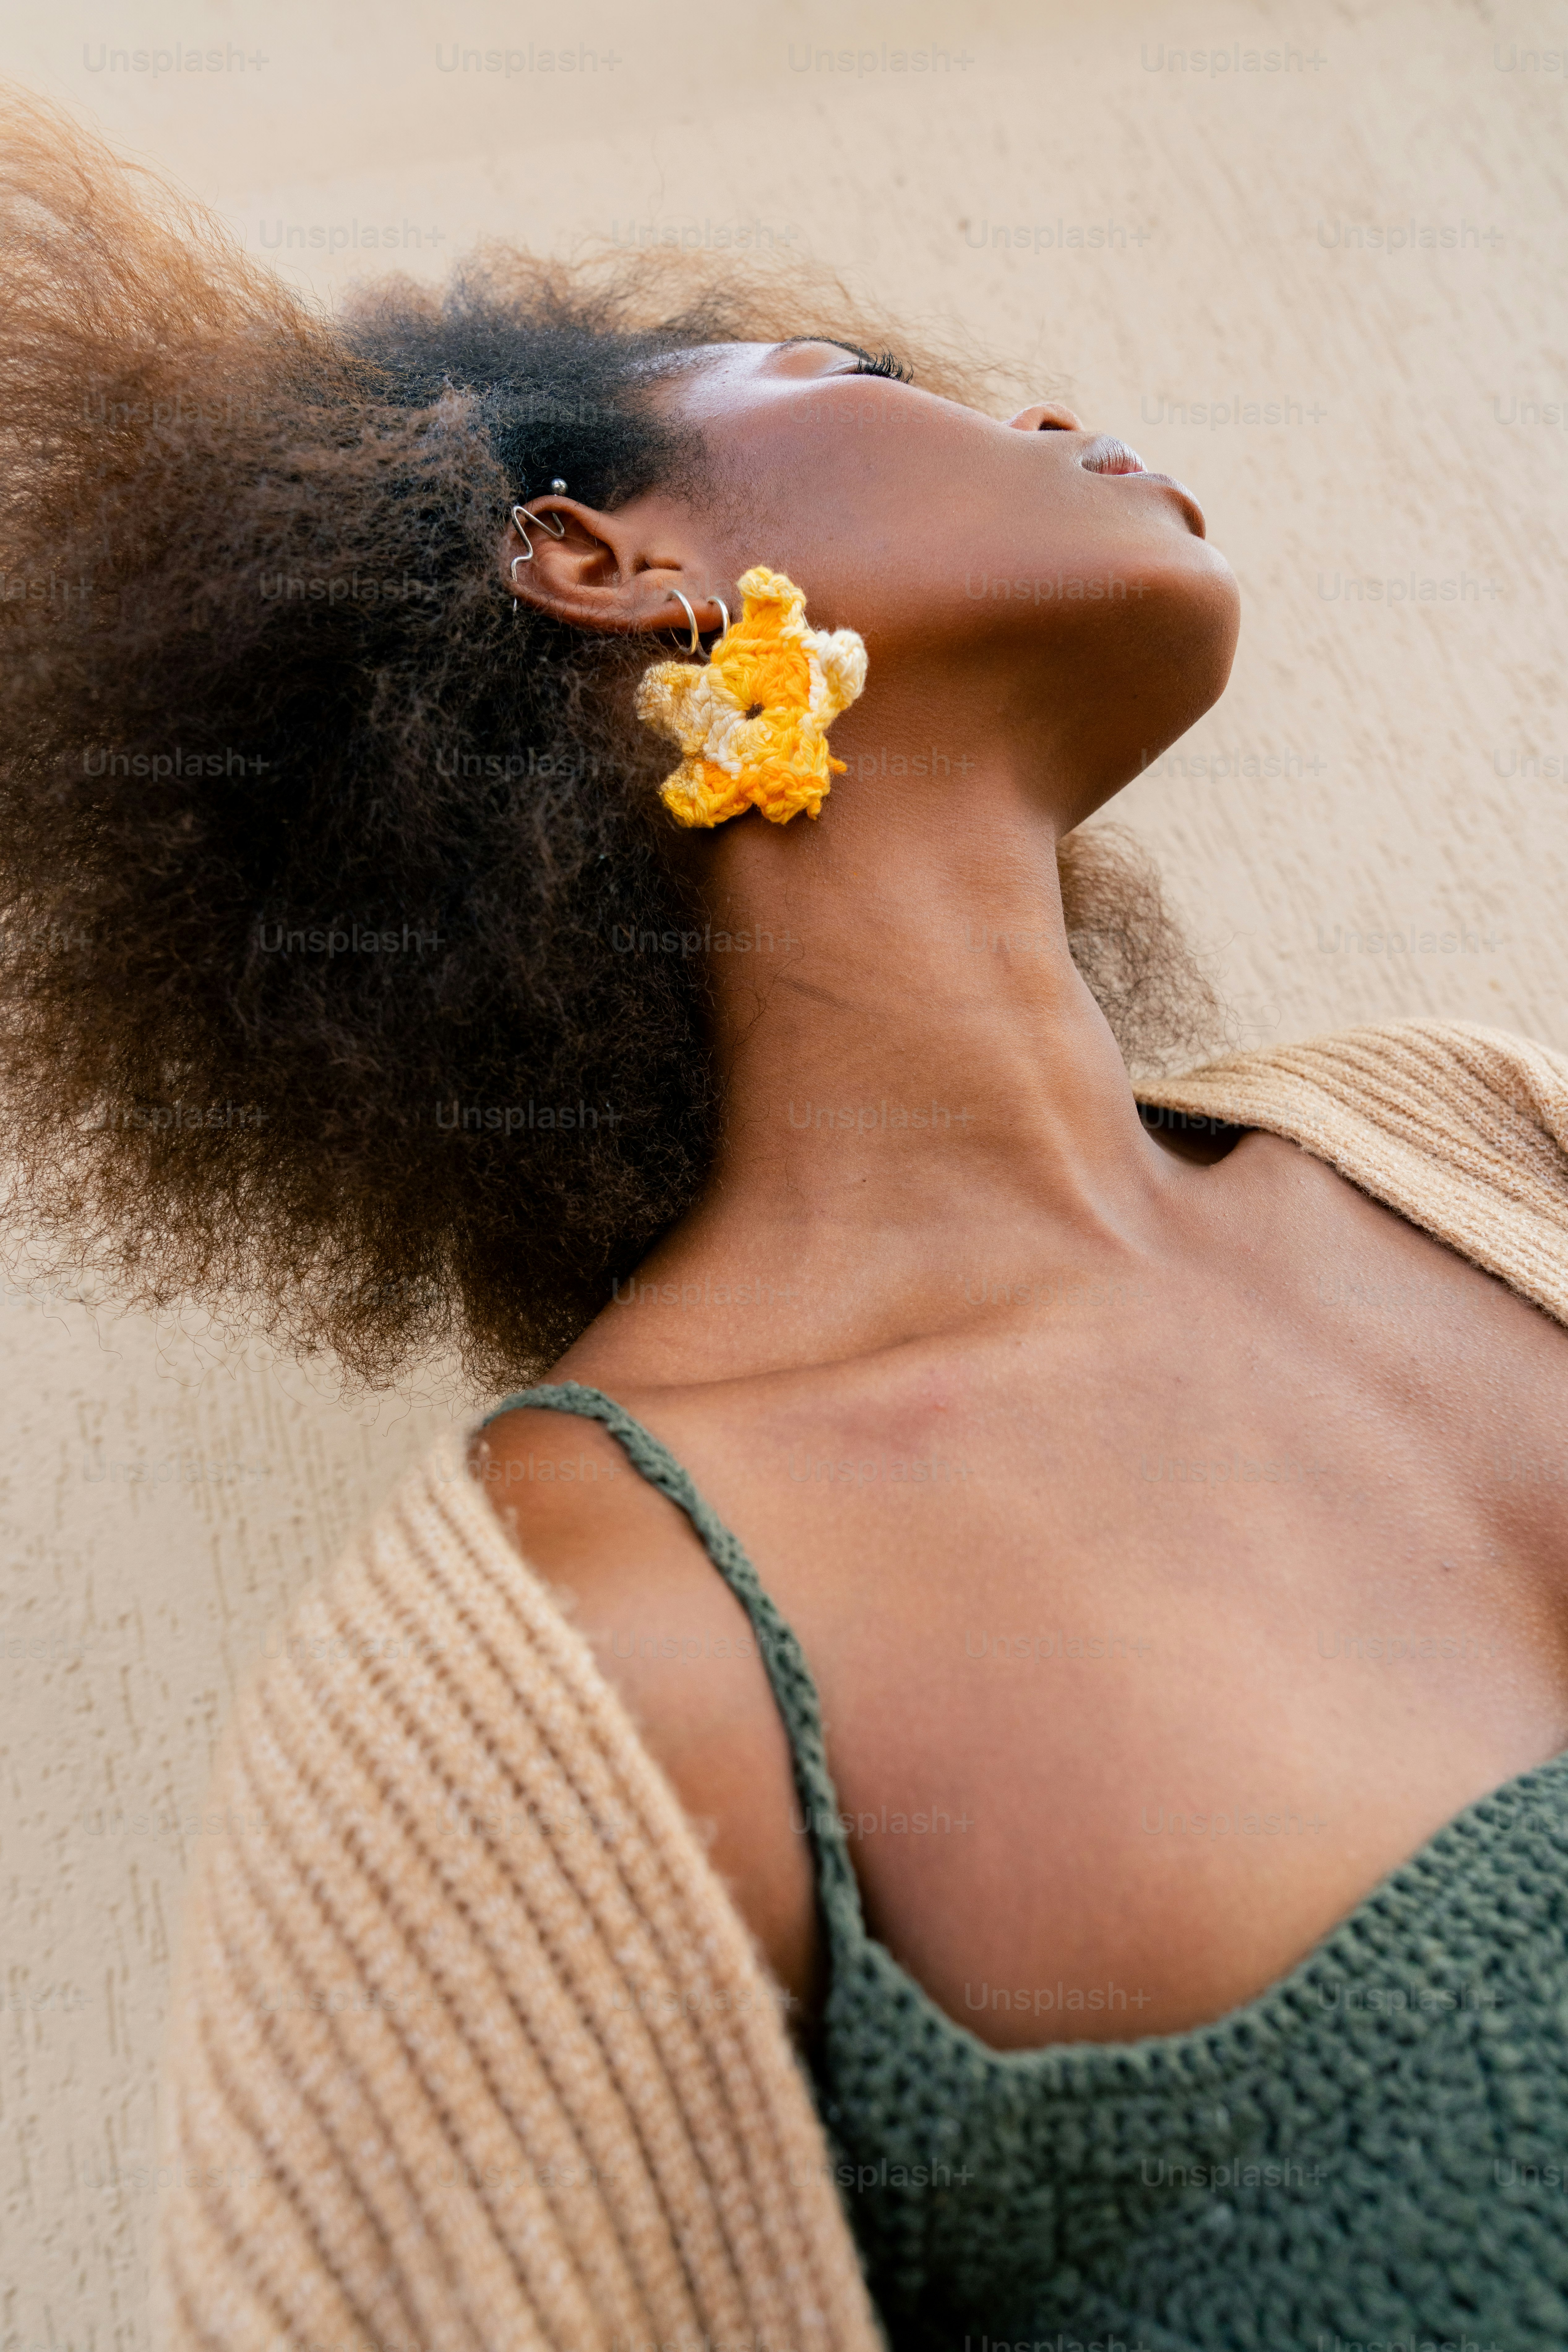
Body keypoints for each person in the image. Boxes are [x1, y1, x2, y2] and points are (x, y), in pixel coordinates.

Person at [6, 87, 1567, 2352]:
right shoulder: (553, 1683)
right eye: (866, 389)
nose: (1040, 407)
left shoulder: (1493, 1136)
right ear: (598, 558)